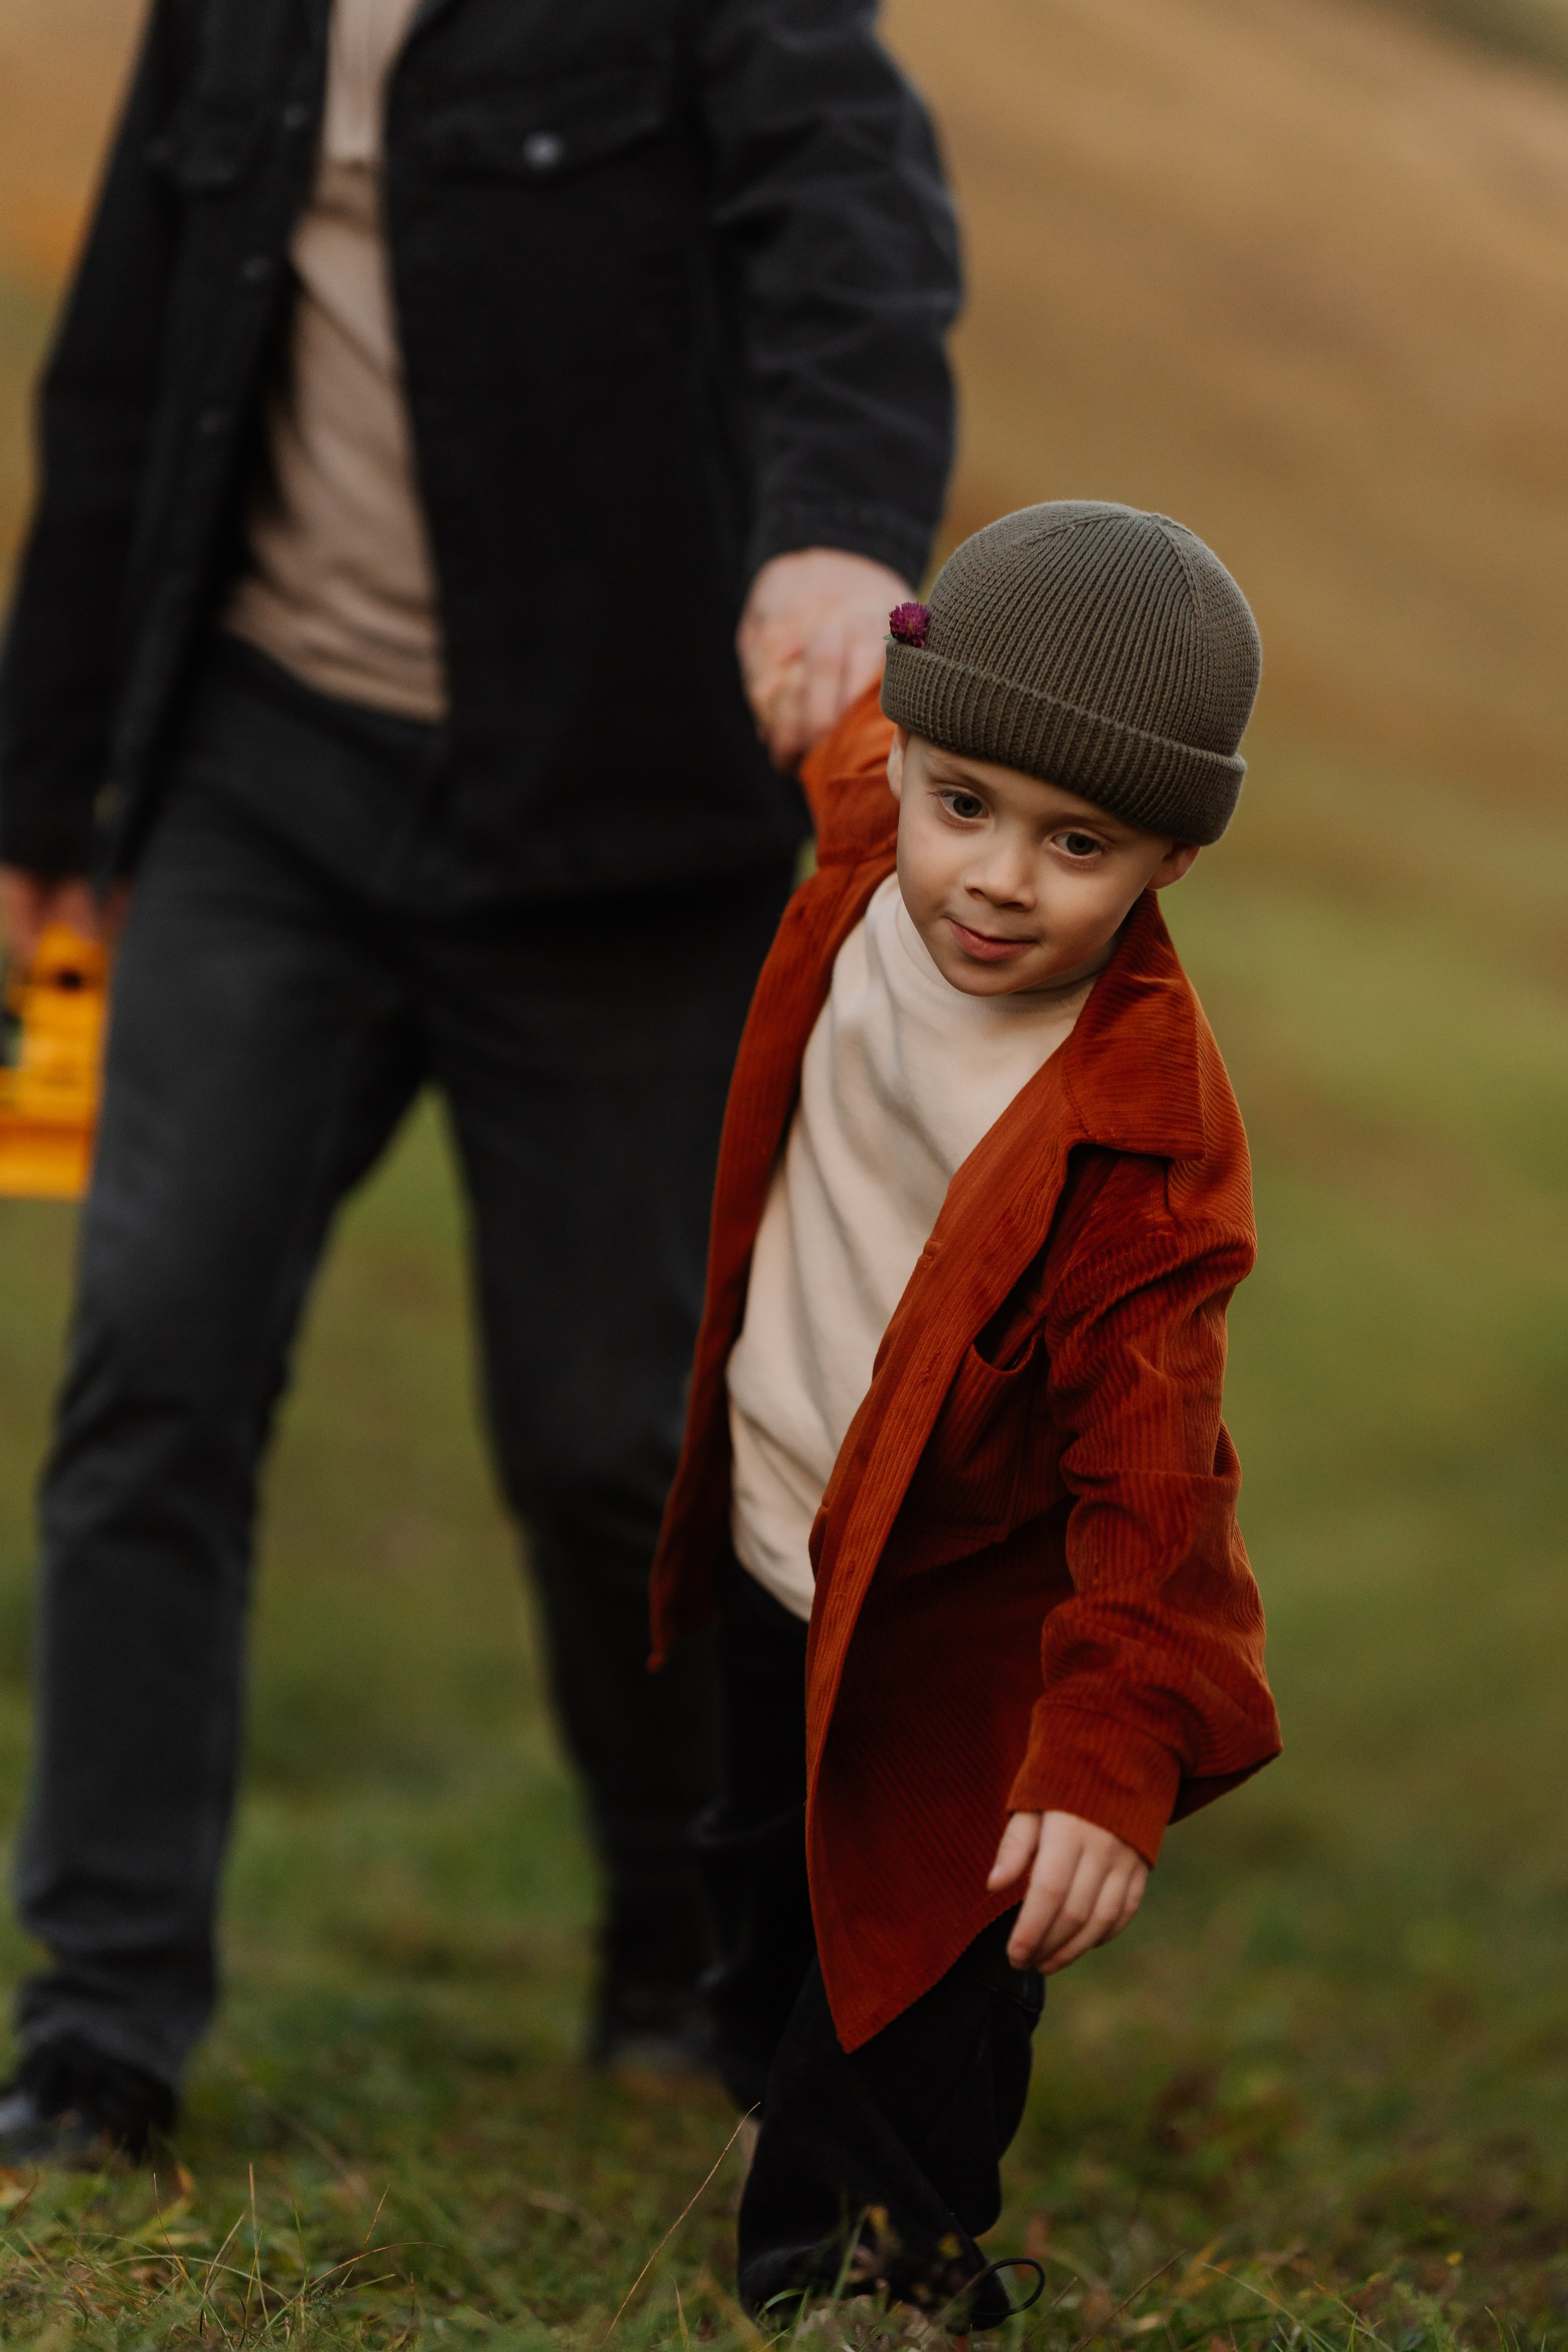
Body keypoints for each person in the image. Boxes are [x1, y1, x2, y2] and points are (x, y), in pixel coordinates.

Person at [0, 0, 961, 2158]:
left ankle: (676, 1942)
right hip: (265, 780)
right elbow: (130, 360)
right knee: (152, 1354)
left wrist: (835, 525)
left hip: (620, 826)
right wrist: (46, 792)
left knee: (614, 1447)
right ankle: (102, 2028)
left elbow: (856, 218)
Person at [648, 502, 1284, 2325]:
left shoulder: (1141, 1131)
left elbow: (1158, 1474)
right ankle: (774, 2088)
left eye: (1078, 843)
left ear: (1170, 857)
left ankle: (887, 2272)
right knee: (770, 1878)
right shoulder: (872, 831)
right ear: (911, 767)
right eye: (966, 807)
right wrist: (799, 613)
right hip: (784, 1534)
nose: (996, 880)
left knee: (920, 1950)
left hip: (963, 1611)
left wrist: (1107, 1754)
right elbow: (839, 698)